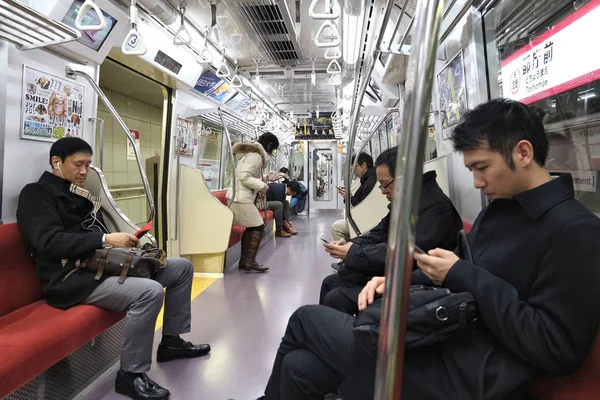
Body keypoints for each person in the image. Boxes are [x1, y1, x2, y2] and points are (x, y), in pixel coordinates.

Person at [256, 99, 600, 400]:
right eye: (472, 170)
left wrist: (460, 274)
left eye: (482, 168)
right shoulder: (500, 210)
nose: (477, 182)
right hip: (445, 339)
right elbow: (457, 275)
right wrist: (401, 282)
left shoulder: (575, 231)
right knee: (299, 368)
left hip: (475, 374)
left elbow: (556, 348)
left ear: (523, 153)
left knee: (305, 319)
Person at [17, 137, 210, 400]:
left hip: (100, 266)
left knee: (180, 268)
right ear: (56, 162)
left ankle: (171, 343)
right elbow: (48, 242)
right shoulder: (35, 194)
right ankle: (130, 375)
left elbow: (93, 232)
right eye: (78, 165)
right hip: (70, 279)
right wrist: (106, 239)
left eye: (88, 165)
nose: (84, 171)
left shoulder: (79, 195)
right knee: (150, 291)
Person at [321, 147, 462, 315]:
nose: (382, 192)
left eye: (384, 185)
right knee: (330, 282)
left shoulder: (435, 208)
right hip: (399, 273)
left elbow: (406, 253)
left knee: (335, 297)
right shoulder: (408, 201)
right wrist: (350, 244)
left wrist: (354, 253)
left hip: (419, 285)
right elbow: (380, 232)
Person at [227, 132, 280, 272]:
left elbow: (247, 175)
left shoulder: (251, 155)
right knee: (257, 226)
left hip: (240, 196)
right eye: (273, 149)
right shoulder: (256, 156)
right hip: (241, 198)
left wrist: (266, 177)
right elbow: (244, 176)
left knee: (252, 227)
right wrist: (262, 186)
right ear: (269, 145)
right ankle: (249, 261)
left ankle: (246, 261)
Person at [331, 152, 377, 241]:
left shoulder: (371, 182)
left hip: (368, 220)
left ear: (364, 165)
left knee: (336, 227)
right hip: (366, 217)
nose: (354, 171)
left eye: (355, 167)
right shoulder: (366, 180)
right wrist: (348, 196)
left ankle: (345, 252)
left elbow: (362, 207)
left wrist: (349, 197)